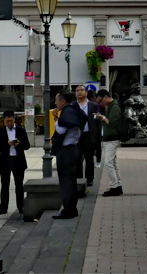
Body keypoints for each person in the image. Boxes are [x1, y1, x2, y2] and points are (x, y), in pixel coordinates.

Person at [52, 91, 85, 219]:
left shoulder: (67, 112)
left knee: (66, 181)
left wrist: (56, 120)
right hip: (73, 149)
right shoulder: (74, 111)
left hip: (66, 151)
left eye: (57, 100)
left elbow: (61, 129)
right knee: (71, 180)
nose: (55, 103)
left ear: (63, 101)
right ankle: (72, 208)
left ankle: (68, 210)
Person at [0, 111, 30, 216]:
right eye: (7, 121)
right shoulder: (0, 132)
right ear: (4, 121)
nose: (10, 123)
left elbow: (27, 145)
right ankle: (3, 208)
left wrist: (18, 144)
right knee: (4, 186)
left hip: (18, 160)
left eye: (11, 120)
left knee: (19, 185)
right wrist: (7, 144)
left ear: (14, 119)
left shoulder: (21, 131)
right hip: (5, 161)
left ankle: (21, 206)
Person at [94, 89, 124, 197]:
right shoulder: (111, 106)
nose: (100, 103)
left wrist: (102, 117)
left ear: (106, 97)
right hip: (109, 138)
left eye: (100, 101)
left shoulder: (114, 107)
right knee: (113, 163)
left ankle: (114, 186)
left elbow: (112, 123)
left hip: (112, 138)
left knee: (108, 163)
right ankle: (117, 185)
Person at [74, 85, 100, 189]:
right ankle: (79, 179)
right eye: (77, 91)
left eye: (81, 90)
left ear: (86, 92)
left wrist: (98, 134)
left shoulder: (93, 105)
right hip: (77, 135)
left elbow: (97, 121)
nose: (79, 92)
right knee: (77, 158)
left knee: (89, 158)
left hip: (89, 134)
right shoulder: (73, 105)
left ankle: (89, 179)